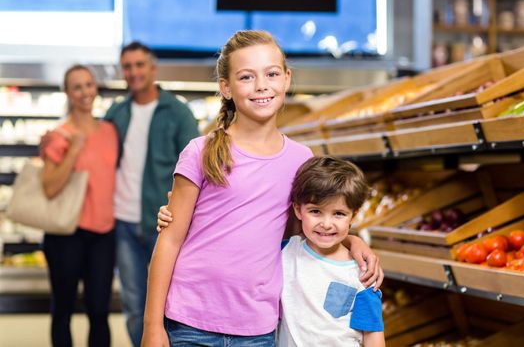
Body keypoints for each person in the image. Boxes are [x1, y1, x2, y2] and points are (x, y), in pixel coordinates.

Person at [143, 30, 382, 347]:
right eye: (246, 77)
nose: (261, 86)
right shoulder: (200, 152)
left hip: (257, 328)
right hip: (189, 321)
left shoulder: (301, 160)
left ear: (286, 78)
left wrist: (352, 242)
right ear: (226, 88)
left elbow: (303, 229)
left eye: (271, 74)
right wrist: (152, 325)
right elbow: (170, 241)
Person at [104, 41, 200, 347]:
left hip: (164, 224)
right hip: (123, 224)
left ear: (152, 68)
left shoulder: (178, 112)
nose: (133, 72)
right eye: (128, 67)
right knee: (133, 306)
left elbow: (197, 169)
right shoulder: (115, 113)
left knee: (169, 303)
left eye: (139, 65)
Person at [41, 65, 118, 347]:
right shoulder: (59, 135)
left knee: (99, 311)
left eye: (88, 84)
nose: (85, 92)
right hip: (66, 235)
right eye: (77, 87)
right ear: (67, 93)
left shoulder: (110, 131)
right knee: (63, 310)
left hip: (103, 234)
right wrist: (73, 150)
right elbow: (49, 188)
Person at [279, 156, 385, 347]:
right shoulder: (286, 252)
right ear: (297, 209)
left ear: (353, 215)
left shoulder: (362, 273)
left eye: (339, 214)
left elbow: (372, 333)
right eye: (315, 211)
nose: (326, 224)